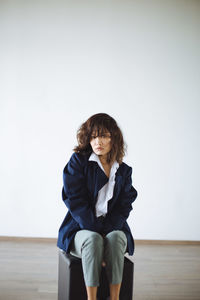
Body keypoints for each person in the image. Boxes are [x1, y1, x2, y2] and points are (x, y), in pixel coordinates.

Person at [57, 113, 138, 300]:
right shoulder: (78, 162)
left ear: (114, 138)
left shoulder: (123, 171)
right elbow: (75, 200)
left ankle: (114, 297)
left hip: (112, 227)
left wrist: (107, 230)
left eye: (103, 135)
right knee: (93, 240)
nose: (97, 141)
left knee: (117, 237)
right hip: (80, 228)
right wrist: (97, 230)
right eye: (93, 136)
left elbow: (124, 206)